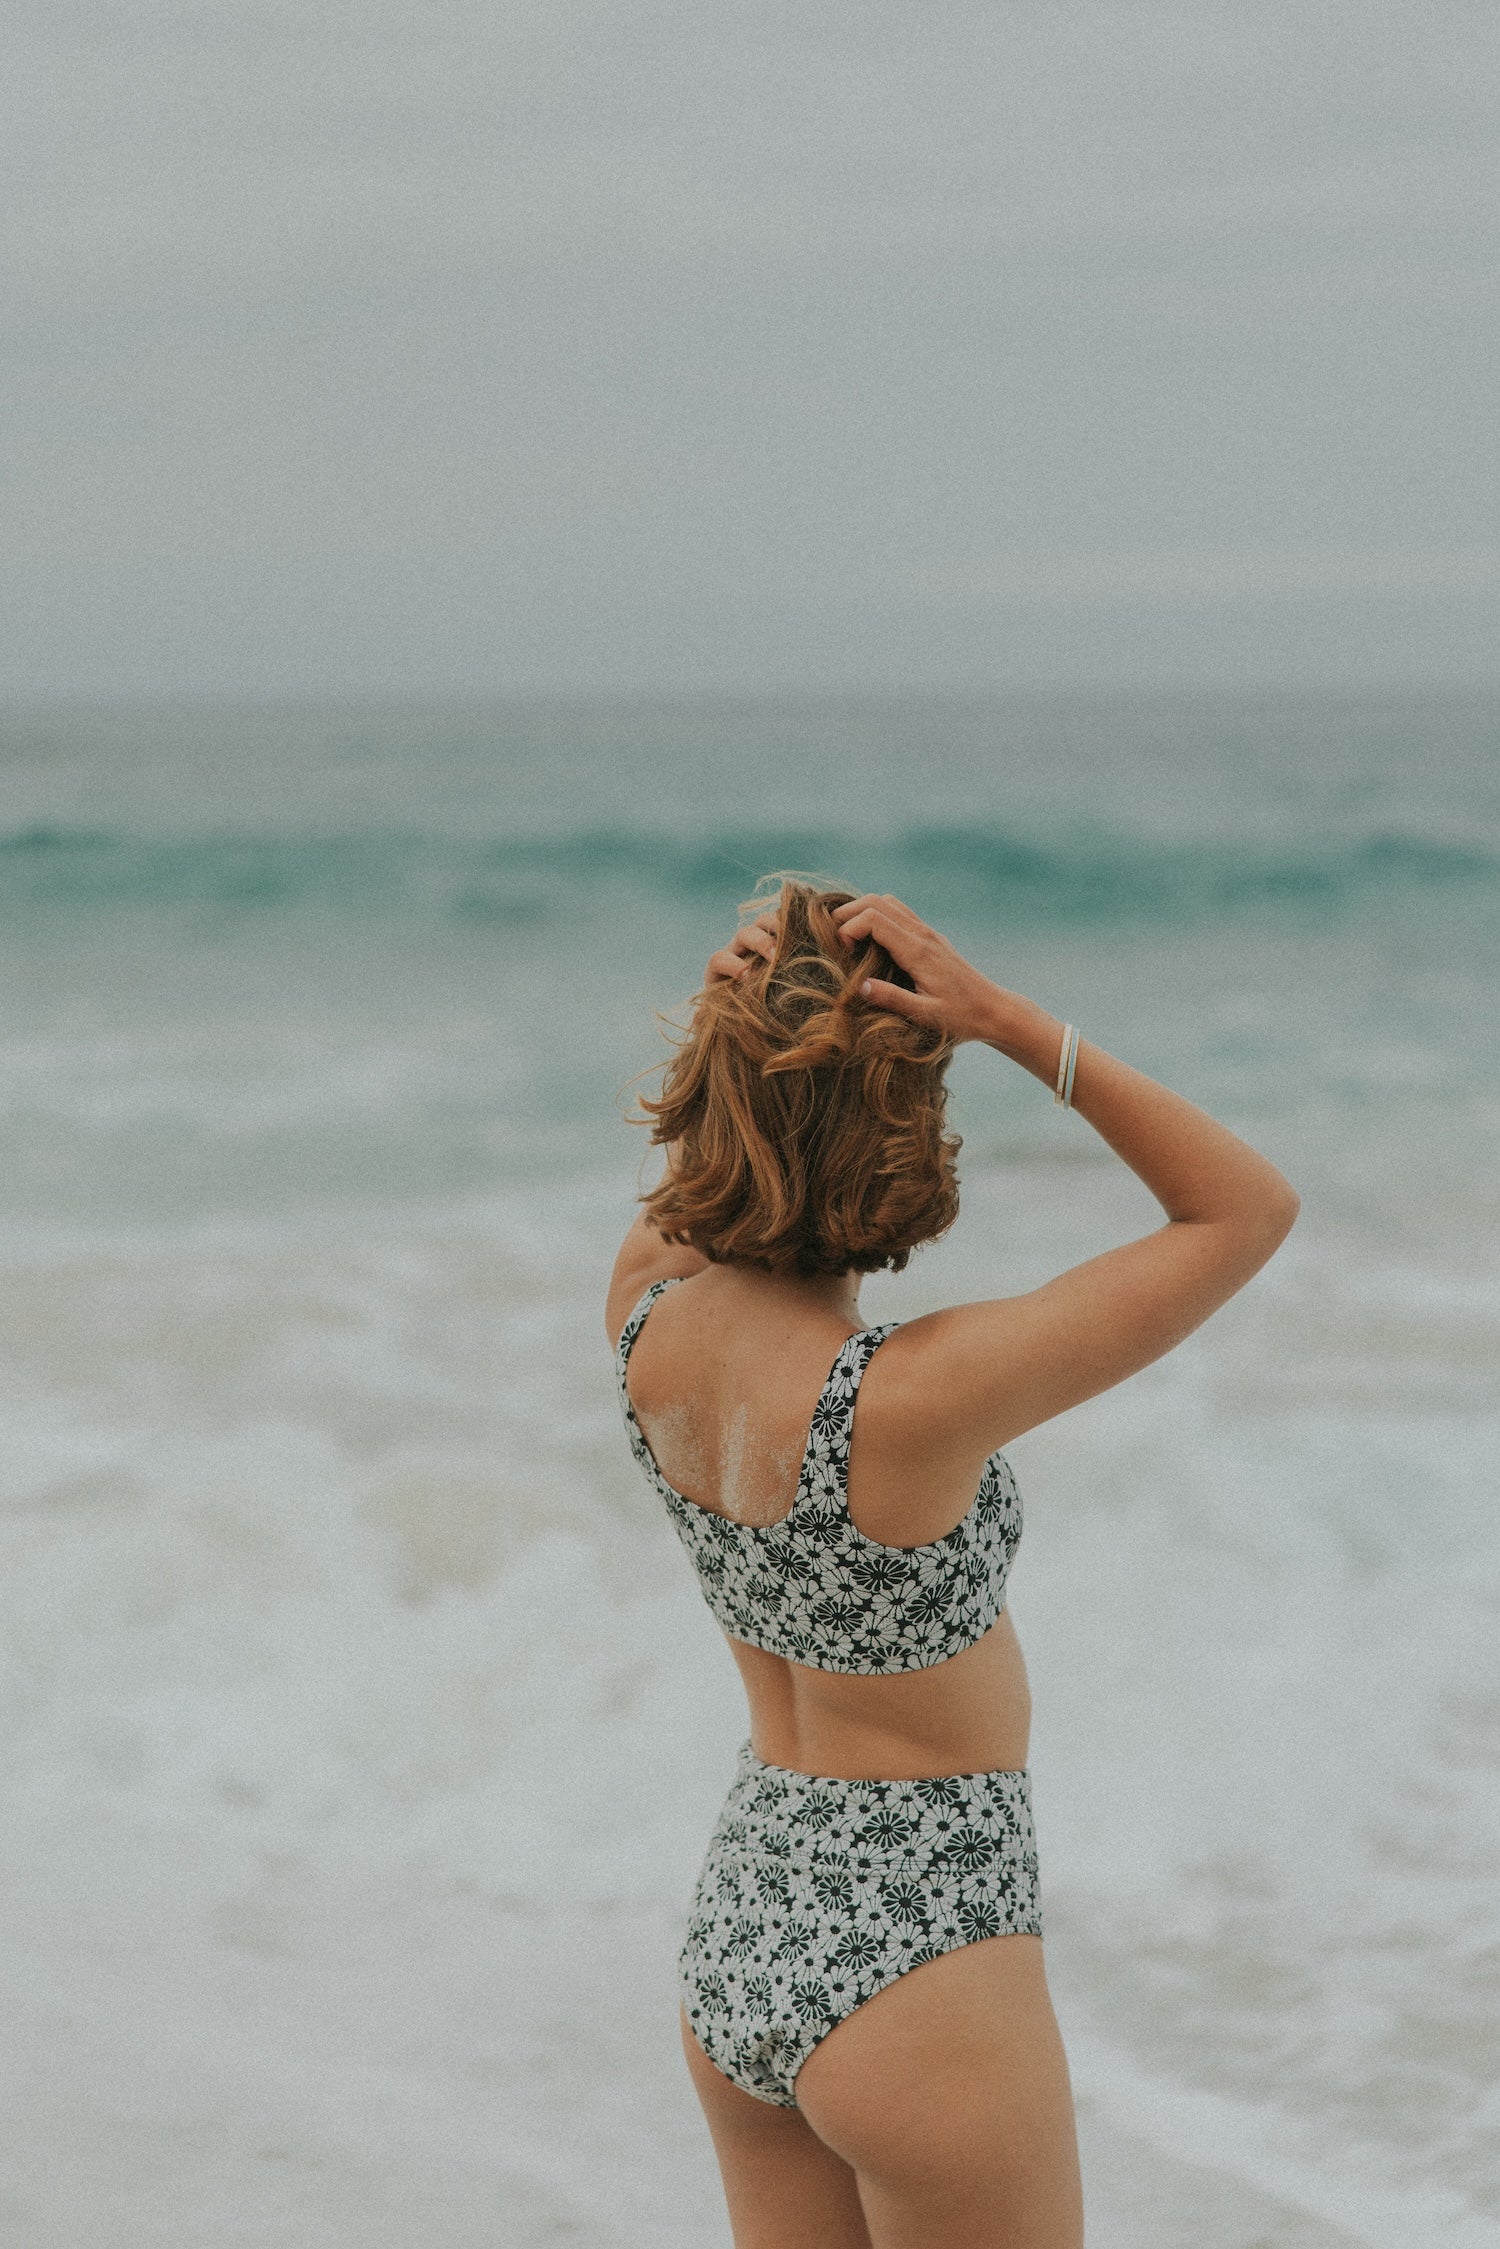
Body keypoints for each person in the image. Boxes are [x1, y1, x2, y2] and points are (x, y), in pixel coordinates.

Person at [605, 880, 1299, 2249]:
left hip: (751, 1910)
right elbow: (1243, 1210)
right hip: (919, 1943)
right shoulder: (905, 1404)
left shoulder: (646, 1317)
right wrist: (1011, 1023)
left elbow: (704, 1171)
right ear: (907, 1140)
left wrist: (740, 1024)